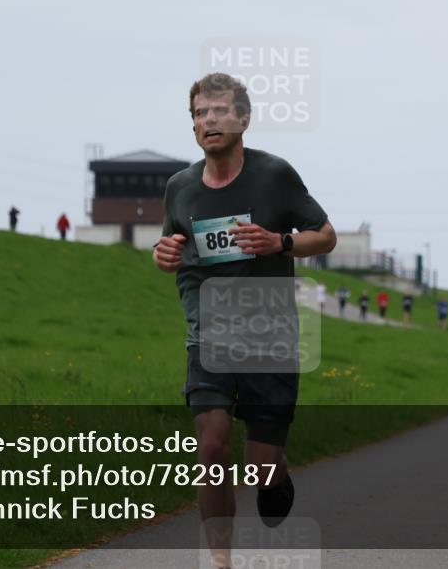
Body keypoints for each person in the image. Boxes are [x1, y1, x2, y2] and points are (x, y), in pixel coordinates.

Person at [152, 73, 336, 569]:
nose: (208, 121)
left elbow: (326, 235)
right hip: (207, 335)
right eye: (199, 114)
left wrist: (282, 242)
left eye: (218, 111)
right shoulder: (180, 188)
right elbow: (171, 242)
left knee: (259, 469)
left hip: (270, 338)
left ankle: (275, 474)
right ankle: (220, 562)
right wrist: (162, 252)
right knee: (211, 448)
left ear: (244, 119)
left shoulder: (274, 175)